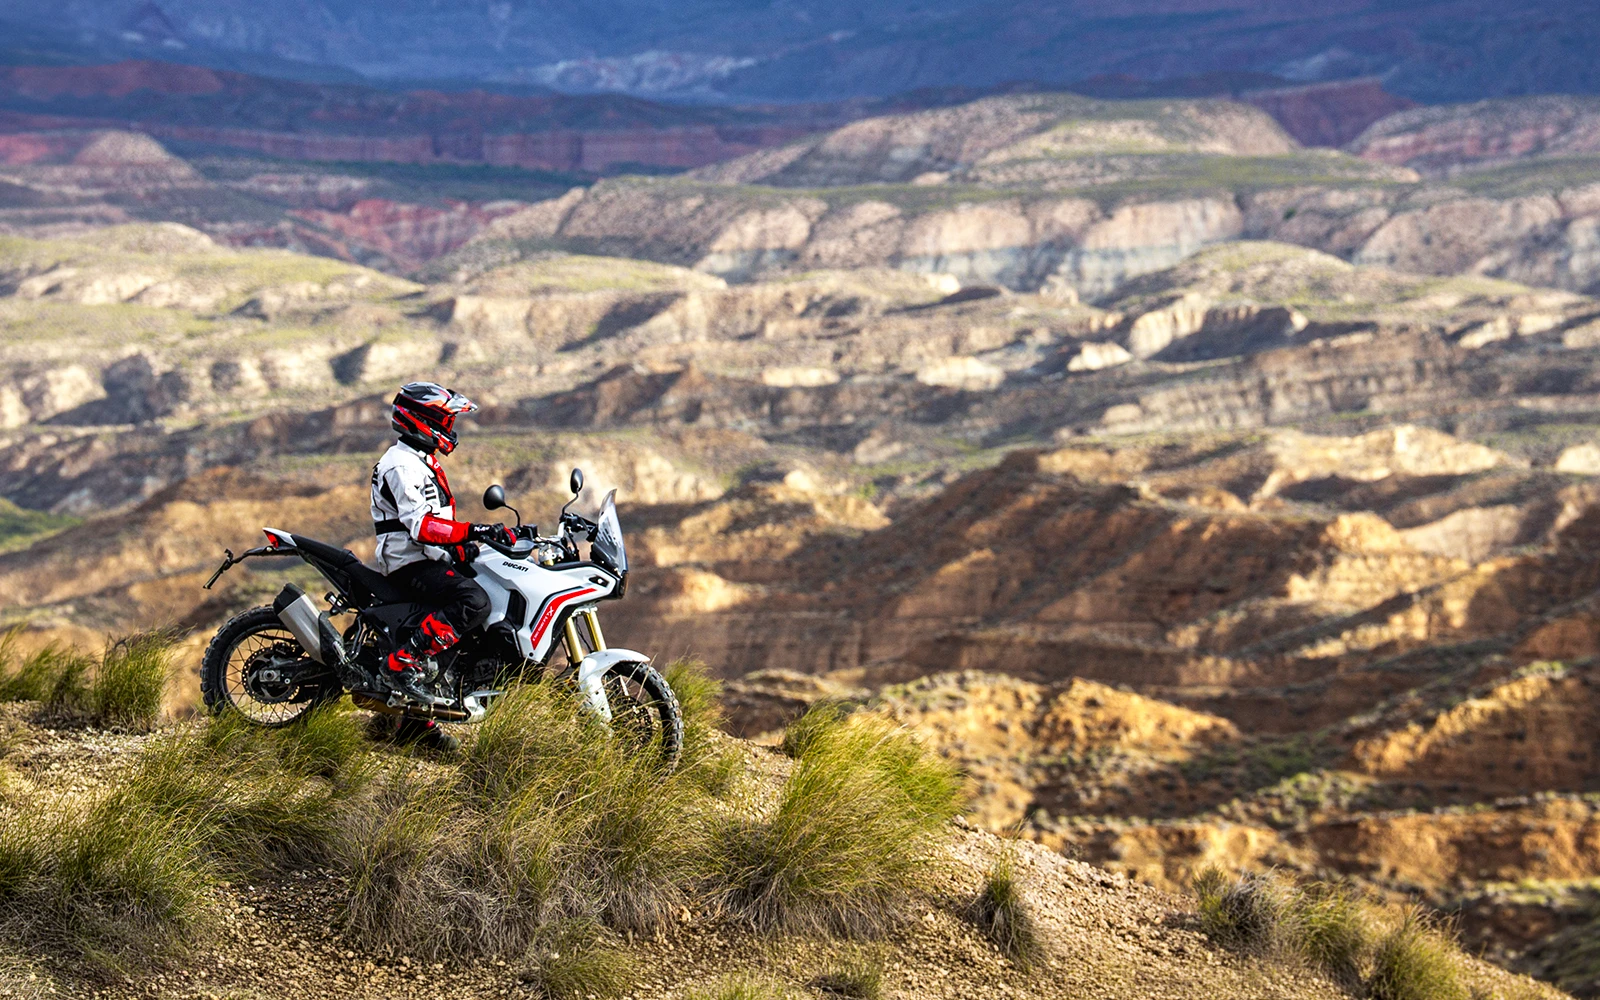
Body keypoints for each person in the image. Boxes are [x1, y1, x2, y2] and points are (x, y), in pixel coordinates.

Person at [370, 382, 514, 714]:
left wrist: (465, 548)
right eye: (444, 421)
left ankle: (415, 724)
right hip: (408, 564)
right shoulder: (401, 465)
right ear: (421, 421)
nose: (449, 429)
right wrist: (474, 531)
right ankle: (403, 662)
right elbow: (421, 526)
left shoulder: (420, 460)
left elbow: (436, 525)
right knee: (474, 602)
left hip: (426, 558)